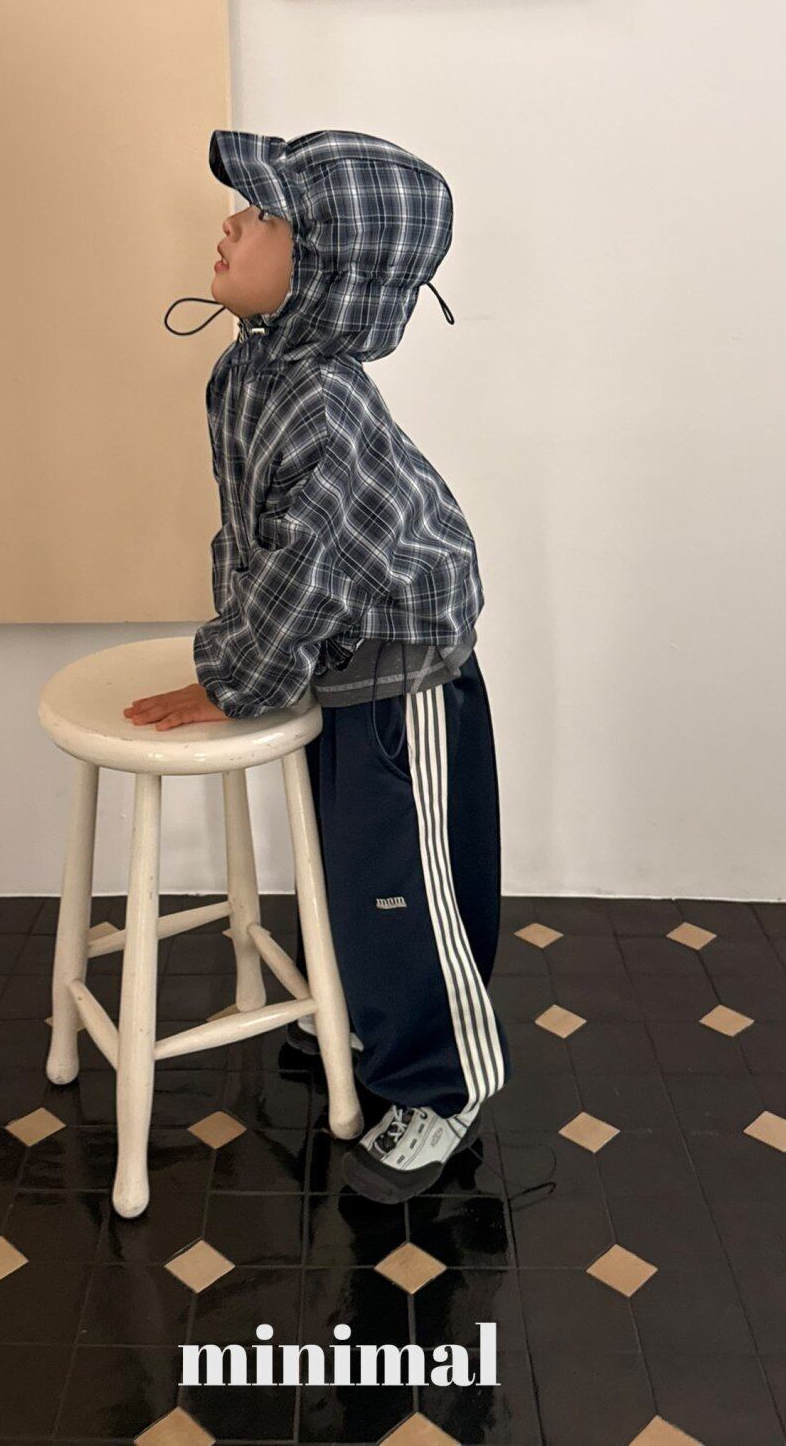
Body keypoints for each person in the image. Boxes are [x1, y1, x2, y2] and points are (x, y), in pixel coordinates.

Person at [123, 127, 511, 1204]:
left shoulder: (320, 404)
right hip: (338, 650)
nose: (230, 223)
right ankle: (364, 1021)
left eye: (263, 216)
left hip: (400, 669)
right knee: (351, 873)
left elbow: (310, 569)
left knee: (405, 886)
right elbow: (261, 539)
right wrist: (247, 657)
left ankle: (440, 1086)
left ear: (326, 268)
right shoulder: (253, 370)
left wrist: (229, 679)